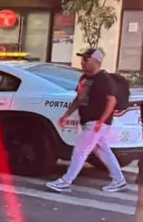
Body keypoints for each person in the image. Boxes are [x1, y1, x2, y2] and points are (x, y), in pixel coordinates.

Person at [46, 48, 128, 194]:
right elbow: (80, 98)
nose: (82, 62)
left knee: (80, 151)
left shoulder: (104, 79)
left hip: (96, 122)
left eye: (86, 59)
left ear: (96, 61)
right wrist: (67, 114)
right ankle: (119, 179)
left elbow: (112, 100)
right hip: (88, 121)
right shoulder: (84, 78)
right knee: (103, 151)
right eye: (82, 59)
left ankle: (66, 181)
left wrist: (101, 121)